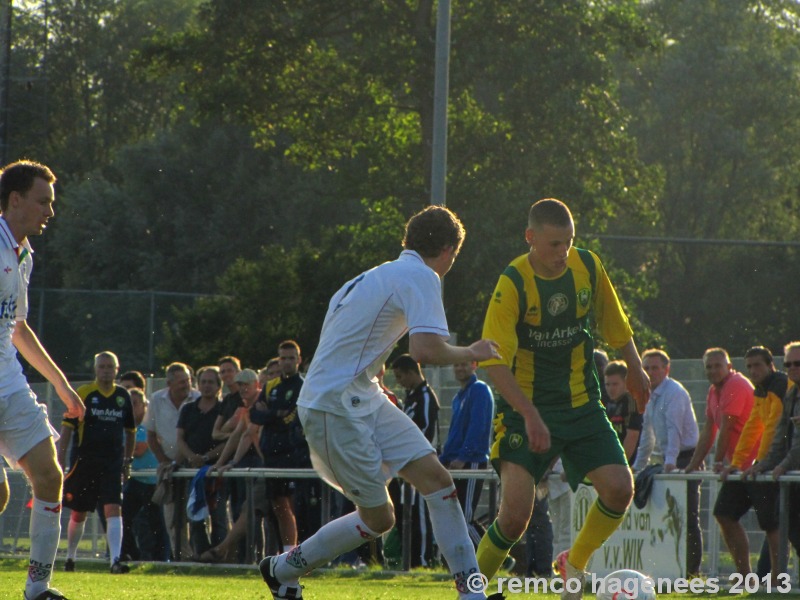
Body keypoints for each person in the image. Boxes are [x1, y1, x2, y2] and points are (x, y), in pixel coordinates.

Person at [259, 205, 502, 600]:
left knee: (438, 480)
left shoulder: (367, 277)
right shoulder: (422, 275)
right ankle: (282, 569)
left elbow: (351, 342)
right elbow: (424, 350)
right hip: (332, 406)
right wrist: (471, 351)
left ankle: (471, 591)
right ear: (448, 250)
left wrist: (374, 378)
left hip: (360, 396)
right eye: (455, 255)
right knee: (380, 518)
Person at [476, 198, 650, 600]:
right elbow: (493, 359)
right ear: (530, 238)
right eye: (554, 244)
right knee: (514, 518)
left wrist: (636, 366)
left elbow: (615, 321)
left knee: (621, 490)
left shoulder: (587, 266)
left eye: (568, 242)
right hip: (526, 412)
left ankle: (575, 563)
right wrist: (529, 412)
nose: (563, 253)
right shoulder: (513, 282)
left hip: (581, 404)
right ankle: (470, 592)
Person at [0, 158, 84, 600]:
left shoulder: (23, 253)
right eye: (43, 201)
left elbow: (17, 328)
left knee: (50, 476)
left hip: (9, 383)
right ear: (15, 200)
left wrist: (61, 384)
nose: (50, 212)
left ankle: (38, 589)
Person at [59, 351, 135, 574]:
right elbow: (67, 430)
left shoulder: (123, 396)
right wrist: (61, 462)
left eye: (110, 367)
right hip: (84, 461)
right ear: (95, 369)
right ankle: (70, 557)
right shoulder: (83, 393)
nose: (106, 370)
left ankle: (115, 561)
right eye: (102, 366)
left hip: (112, 463)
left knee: (113, 508)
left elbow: (130, 431)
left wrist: (127, 461)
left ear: (117, 370)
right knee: (79, 512)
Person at [716, 346, 787, 580]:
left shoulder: (780, 385)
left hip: (773, 465)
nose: (753, 370)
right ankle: (747, 578)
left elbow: (774, 429)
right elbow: (752, 426)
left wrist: (762, 463)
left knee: (771, 524)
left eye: (757, 365)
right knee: (724, 512)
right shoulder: (761, 389)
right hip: (757, 466)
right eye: (749, 366)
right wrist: (736, 463)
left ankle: (777, 580)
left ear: (770, 365)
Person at [632, 348, 701, 575]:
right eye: (647, 368)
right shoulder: (650, 394)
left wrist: (670, 462)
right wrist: (638, 466)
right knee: (668, 517)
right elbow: (647, 434)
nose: (651, 372)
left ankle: (691, 571)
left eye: (655, 368)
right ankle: (670, 568)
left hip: (686, 456)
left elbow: (675, 430)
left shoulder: (674, 392)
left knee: (688, 515)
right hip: (669, 457)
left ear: (666, 369)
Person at [744, 341, 800, 555]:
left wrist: (783, 465)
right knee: (788, 522)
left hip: (793, 468)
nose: (792, 368)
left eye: (798, 363)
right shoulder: (791, 393)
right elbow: (781, 435)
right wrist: (764, 464)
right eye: (788, 364)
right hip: (794, 471)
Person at [144, 361, 200, 560]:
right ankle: (181, 558)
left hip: (194, 464)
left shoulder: (198, 398)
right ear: (169, 383)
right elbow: (151, 435)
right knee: (171, 516)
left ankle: (199, 556)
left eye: (188, 380)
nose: (186, 385)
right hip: (169, 468)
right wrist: (164, 461)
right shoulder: (156, 400)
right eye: (181, 382)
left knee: (196, 513)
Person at [439, 360, 494, 550]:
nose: (459, 368)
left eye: (464, 364)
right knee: (458, 518)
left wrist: (464, 456)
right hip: (456, 464)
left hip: (471, 462)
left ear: (474, 365)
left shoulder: (479, 390)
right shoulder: (458, 396)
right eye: (456, 365)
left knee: (464, 519)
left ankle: (496, 561)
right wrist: (443, 459)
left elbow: (477, 428)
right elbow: (455, 433)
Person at [392, 354, 441, 566]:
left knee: (420, 514)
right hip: (407, 465)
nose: (399, 381)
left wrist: (407, 451)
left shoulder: (426, 397)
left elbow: (425, 431)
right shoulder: (410, 396)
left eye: (400, 376)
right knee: (407, 513)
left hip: (421, 464)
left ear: (412, 372)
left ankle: (422, 560)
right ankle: (410, 559)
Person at [176, 365, 227, 557]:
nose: (207, 386)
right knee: (195, 515)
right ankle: (201, 555)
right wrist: (191, 457)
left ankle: (218, 556)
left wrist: (207, 457)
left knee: (219, 516)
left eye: (211, 382)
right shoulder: (189, 409)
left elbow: (228, 441)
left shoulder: (224, 409)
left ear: (218, 386)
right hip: (193, 471)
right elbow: (180, 438)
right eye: (203, 382)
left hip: (215, 471)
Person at [685, 348, 755, 474]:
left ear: (729, 367)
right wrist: (693, 464)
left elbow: (726, 427)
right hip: (738, 466)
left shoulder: (735, 384)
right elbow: (709, 430)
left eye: (718, 366)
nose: (713, 371)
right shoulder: (713, 390)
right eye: (709, 367)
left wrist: (717, 462)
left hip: (753, 465)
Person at [121, 387, 169, 561]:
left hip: (151, 481)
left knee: (156, 522)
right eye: (128, 404)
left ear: (144, 405)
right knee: (124, 518)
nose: (131, 408)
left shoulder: (146, 426)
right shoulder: (126, 427)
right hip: (135, 480)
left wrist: (120, 449)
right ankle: (131, 554)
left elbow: (138, 449)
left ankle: (160, 558)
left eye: (134, 404)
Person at [603, 361, 642, 465]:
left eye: (615, 384)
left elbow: (632, 435)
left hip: (631, 463)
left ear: (626, 383)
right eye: (607, 384)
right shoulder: (608, 401)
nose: (610, 389)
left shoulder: (631, 400)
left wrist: (620, 465)